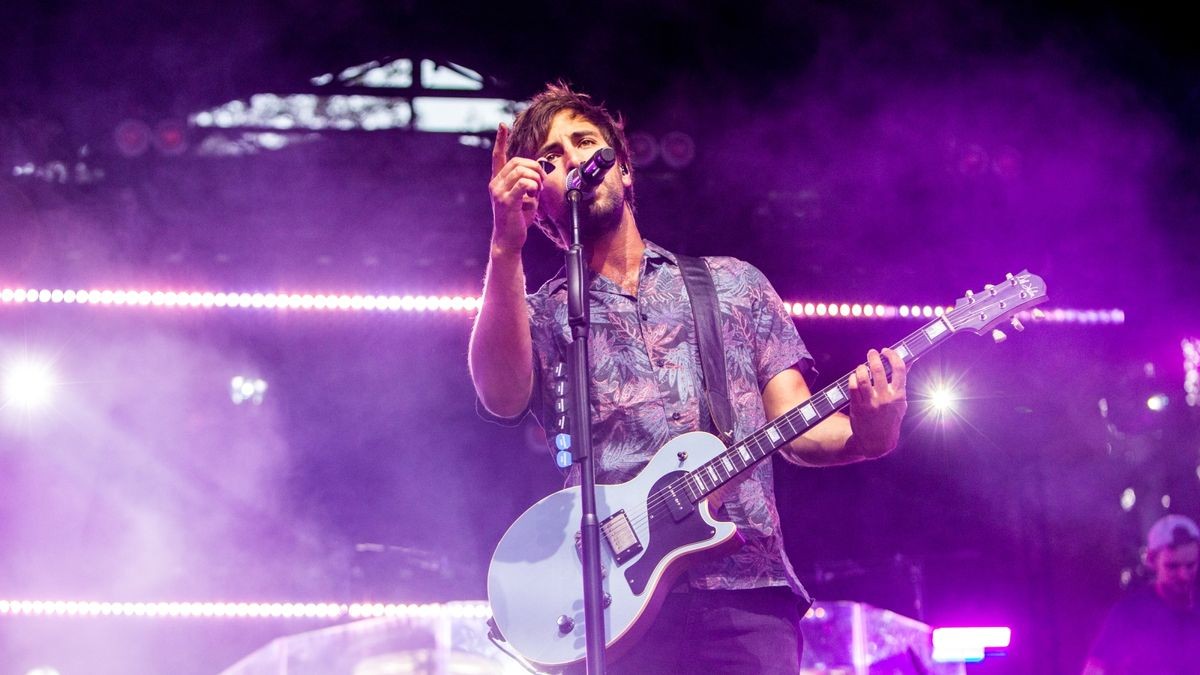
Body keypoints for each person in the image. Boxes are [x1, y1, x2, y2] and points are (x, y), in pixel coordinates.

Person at [469, 82, 908, 673]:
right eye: (550, 158)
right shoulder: (543, 314)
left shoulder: (734, 285)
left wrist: (871, 434)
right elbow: (499, 394)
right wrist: (504, 246)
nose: (572, 158)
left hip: (745, 595)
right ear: (540, 199)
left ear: (624, 171)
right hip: (609, 606)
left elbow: (799, 429)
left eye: (583, 141)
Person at [1083, 514, 1200, 675]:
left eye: (1191, 565)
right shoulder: (1130, 613)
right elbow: (1095, 670)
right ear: (1152, 561)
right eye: (1172, 567)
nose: (1184, 575)